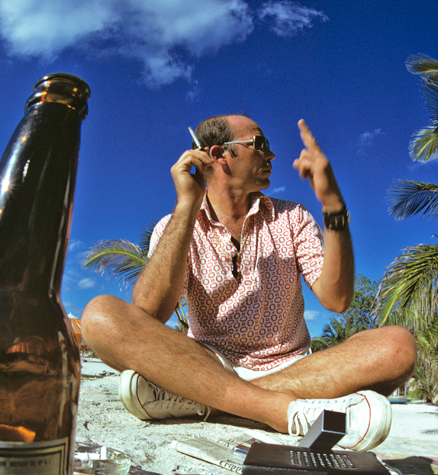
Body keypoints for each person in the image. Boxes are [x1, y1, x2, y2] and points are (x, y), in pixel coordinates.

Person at [80, 114, 416, 450]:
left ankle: (211, 401)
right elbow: (150, 312)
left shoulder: (293, 217)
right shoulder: (176, 225)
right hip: (206, 363)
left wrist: (333, 206)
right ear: (218, 154)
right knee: (99, 315)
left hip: (293, 368)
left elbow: (337, 299)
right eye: (260, 144)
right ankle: (280, 411)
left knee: (397, 346)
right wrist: (187, 205)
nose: (271, 155)